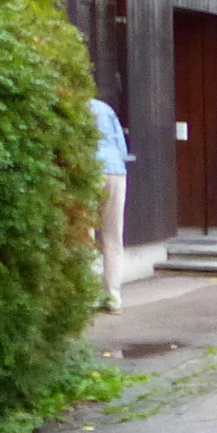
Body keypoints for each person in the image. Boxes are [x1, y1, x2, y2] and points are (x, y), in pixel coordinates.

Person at [87, 96, 130, 310]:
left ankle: (91, 296)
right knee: (113, 236)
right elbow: (121, 145)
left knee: (85, 234)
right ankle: (113, 297)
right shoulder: (105, 108)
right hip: (116, 171)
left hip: (90, 170)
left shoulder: (73, 109)